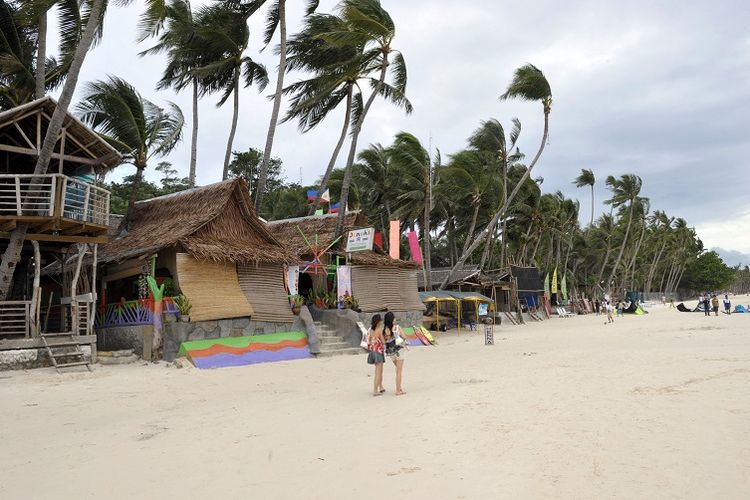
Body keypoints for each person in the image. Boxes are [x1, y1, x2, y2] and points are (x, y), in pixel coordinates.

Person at [383, 312, 406, 396]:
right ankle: (398, 390)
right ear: (392, 319)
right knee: (399, 372)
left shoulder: (384, 330)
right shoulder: (397, 327)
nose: (395, 319)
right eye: (394, 318)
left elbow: (384, 341)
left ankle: (399, 388)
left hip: (390, 353)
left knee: (398, 370)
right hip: (399, 350)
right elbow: (404, 336)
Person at [366, 314, 386, 396]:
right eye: (380, 320)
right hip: (378, 352)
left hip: (372, 352)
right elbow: (383, 341)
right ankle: (375, 390)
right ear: (378, 322)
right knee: (378, 372)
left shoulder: (370, 330)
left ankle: (380, 387)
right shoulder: (379, 329)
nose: (381, 321)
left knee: (380, 370)